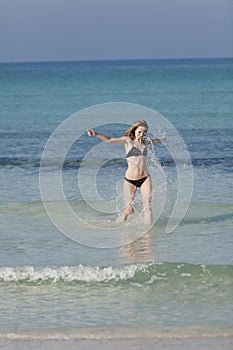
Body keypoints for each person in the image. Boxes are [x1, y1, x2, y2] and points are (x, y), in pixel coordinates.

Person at [87, 120, 166, 225]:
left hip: (145, 178)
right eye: (139, 132)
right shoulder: (128, 141)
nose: (142, 135)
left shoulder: (145, 142)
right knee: (128, 209)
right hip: (130, 180)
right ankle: (118, 226)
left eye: (144, 132)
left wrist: (163, 139)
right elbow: (110, 140)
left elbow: (155, 141)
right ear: (134, 130)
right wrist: (96, 134)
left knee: (147, 206)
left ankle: (149, 234)